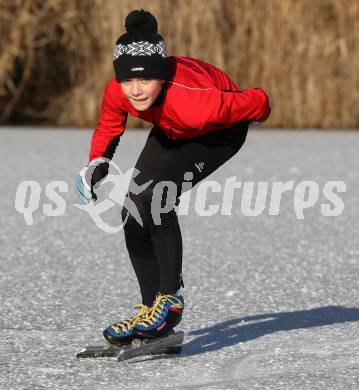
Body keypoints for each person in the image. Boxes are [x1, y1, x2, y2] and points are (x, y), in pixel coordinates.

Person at [76, 9, 270, 345]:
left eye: (145, 81)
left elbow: (259, 101)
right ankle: (150, 308)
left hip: (216, 134)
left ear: (162, 77)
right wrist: (97, 164)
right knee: (132, 208)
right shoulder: (117, 91)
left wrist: (255, 110)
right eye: (127, 81)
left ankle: (170, 301)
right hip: (172, 127)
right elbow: (109, 126)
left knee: (157, 197)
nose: (135, 91)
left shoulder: (200, 103)